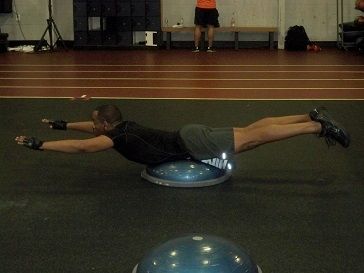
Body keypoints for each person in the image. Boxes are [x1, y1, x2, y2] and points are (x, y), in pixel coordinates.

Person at [15, 105, 350, 166]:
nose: (93, 126)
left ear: (106, 125)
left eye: (94, 123)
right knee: (251, 130)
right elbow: (88, 129)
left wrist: (42, 144)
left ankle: (316, 126)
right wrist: (62, 125)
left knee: (255, 138)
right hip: (191, 135)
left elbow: (84, 147)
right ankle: (308, 114)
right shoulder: (121, 125)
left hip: (192, 144)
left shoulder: (115, 138)